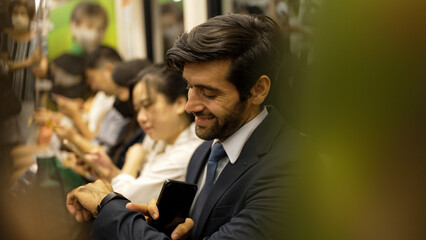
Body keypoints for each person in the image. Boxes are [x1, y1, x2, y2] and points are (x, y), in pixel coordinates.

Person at [66, 14, 315, 240]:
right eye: (189, 87)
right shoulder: (205, 152)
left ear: (257, 90)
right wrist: (166, 228)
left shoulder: (293, 168)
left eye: (209, 93)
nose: (189, 106)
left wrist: (108, 206)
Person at [81, 63, 203, 204]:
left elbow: (123, 201)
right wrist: (111, 172)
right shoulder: (159, 137)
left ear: (179, 104)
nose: (141, 117)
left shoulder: (187, 153)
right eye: (138, 109)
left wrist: (132, 161)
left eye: (147, 105)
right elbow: (139, 186)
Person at [0, 0, 47, 145]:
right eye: (15, 13)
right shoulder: (5, 37)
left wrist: (42, 69)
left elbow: (44, 61)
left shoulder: (38, 39)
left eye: (23, 14)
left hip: (28, 99)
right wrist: (29, 61)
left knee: (27, 141)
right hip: (6, 99)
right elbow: (5, 67)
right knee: (7, 143)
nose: (18, 17)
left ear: (30, 16)